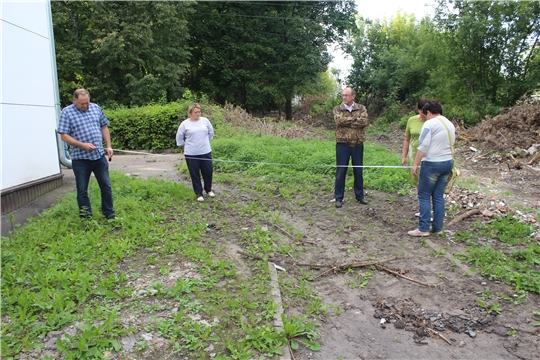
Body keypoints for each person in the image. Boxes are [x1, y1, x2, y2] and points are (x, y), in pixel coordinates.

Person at [58, 88, 116, 219]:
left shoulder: (96, 108)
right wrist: (82, 145)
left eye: (87, 103)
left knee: (106, 186)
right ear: (74, 101)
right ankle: (86, 217)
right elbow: (64, 136)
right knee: (82, 190)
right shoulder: (67, 113)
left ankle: (109, 213)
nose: (85, 106)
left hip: (99, 157)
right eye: (81, 103)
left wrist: (109, 146)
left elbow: (104, 127)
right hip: (81, 160)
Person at [408, 101, 455, 236]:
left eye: (424, 114)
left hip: (432, 163)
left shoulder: (430, 124)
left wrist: (416, 163)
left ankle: (423, 228)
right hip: (447, 163)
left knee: (423, 195)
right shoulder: (449, 124)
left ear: (428, 112)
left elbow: (423, 146)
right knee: (438, 196)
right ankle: (438, 227)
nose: (423, 117)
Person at [333, 87, 369, 208]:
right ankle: (338, 197)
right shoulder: (338, 108)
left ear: (353, 96)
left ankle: (360, 196)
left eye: (347, 95)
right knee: (341, 172)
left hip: (357, 145)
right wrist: (354, 120)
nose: (344, 97)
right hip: (342, 145)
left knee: (358, 171)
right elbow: (339, 121)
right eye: (343, 95)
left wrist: (348, 121)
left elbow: (364, 122)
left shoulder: (361, 108)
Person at [176, 103, 215, 202]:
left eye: (199, 112)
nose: (198, 114)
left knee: (208, 171)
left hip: (205, 151)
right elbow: (179, 136)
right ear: (190, 113)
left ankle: (208, 189)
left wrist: (205, 141)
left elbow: (211, 132)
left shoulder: (205, 121)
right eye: (195, 112)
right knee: (195, 173)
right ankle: (199, 193)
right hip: (191, 153)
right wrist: (183, 145)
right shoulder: (185, 124)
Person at [401, 99, 429, 186]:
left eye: (426, 112)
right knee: (415, 179)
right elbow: (407, 139)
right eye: (422, 112)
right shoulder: (411, 120)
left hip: (427, 154)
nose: (424, 115)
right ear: (418, 110)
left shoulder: (431, 122)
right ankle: (419, 198)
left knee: (427, 181)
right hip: (413, 153)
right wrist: (404, 157)